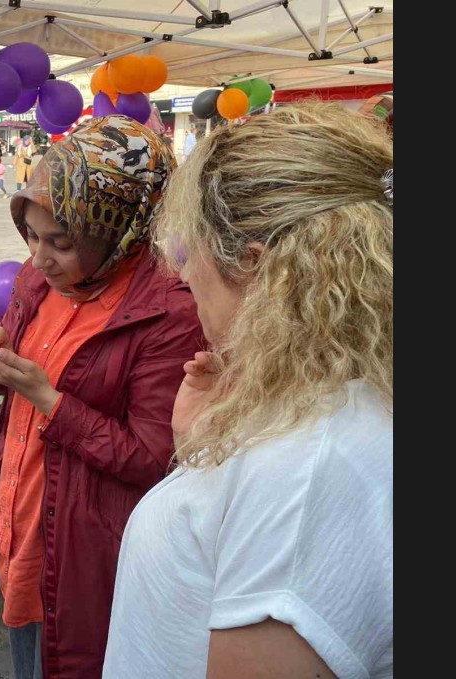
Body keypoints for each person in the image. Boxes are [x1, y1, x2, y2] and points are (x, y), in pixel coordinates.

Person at [102, 103, 393, 678]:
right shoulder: (331, 405)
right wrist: (204, 449)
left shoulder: (307, 471)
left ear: (257, 270)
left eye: (189, 253)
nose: (182, 276)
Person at [0, 115, 205, 679]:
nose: (39, 259)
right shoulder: (36, 281)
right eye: (31, 237)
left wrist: (50, 400)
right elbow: (14, 384)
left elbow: (153, 458)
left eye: (60, 243)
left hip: (79, 548)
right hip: (14, 521)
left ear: (122, 229)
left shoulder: (169, 311)